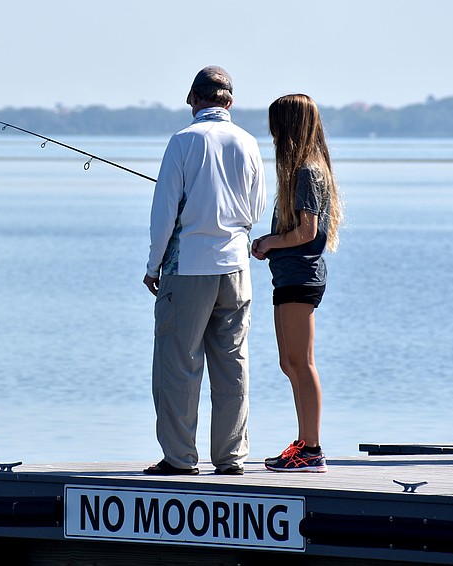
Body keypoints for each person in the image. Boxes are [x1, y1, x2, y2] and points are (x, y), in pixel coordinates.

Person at [143, 66, 266, 476]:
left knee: (178, 364)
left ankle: (180, 458)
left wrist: (152, 264)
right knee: (232, 364)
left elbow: (164, 213)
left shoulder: (183, 141)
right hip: (235, 266)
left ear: (194, 99)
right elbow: (256, 207)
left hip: (188, 267)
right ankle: (231, 458)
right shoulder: (248, 142)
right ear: (229, 102)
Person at [251, 93, 343, 473]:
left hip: (301, 278)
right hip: (287, 277)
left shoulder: (307, 170)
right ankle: (303, 442)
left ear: (289, 126)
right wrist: (270, 244)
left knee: (302, 364)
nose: (272, 135)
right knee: (288, 362)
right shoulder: (302, 170)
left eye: (276, 126)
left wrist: (271, 241)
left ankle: (313, 448)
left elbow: (307, 231)